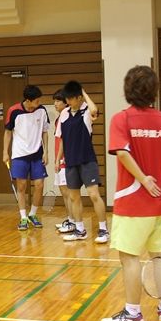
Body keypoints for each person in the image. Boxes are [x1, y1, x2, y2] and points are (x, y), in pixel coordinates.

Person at [100, 66, 161, 321]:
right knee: (160, 255)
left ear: (128, 89)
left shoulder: (122, 119)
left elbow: (122, 152)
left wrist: (144, 179)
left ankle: (133, 313)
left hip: (132, 201)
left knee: (129, 257)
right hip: (160, 202)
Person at [55, 81, 108, 243]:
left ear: (79, 98)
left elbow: (94, 110)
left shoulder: (86, 112)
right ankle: (80, 230)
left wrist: (83, 92)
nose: (68, 101)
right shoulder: (64, 114)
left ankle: (103, 230)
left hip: (87, 160)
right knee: (74, 197)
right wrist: (57, 159)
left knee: (93, 195)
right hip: (70, 162)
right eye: (67, 99)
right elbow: (62, 139)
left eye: (71, 98)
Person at [3, 85, 50, 231]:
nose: (38, 103)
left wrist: (46, 152)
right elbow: (8, 132)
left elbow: (45, 132)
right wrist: (5, 152)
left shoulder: (42, 110)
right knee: (21, 186)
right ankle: (23, 217)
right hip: (19, 154)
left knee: (39, 185)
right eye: (36, 101)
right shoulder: (14, 111)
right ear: (28, 100)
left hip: (37, 154)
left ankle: (33, 214)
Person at [51, 91, 75, 234]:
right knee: (64, 191)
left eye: (58, 101)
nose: (55, 104)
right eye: (54, 101)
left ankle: (73, 222)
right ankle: (70, 219)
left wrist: (60, 159)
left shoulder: (66, 116)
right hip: (59, 159)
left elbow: (65, 140)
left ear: (66, 103)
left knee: (68, 192)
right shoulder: (59, 118)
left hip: (65, 160)